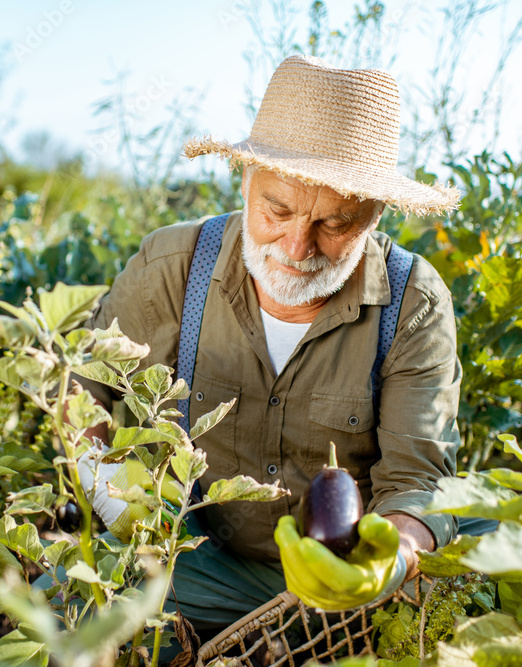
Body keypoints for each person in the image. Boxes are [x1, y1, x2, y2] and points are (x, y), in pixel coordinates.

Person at [74, 54, 463, 634]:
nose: (297, 246)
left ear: (376, 216)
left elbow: (417, 482)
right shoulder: (172, 267)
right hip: (195, 565)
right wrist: (111, 497)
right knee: (63, 610)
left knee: (487, 552)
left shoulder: (413, 302)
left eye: (335, 224)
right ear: (245, 179)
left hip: (342, 579)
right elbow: (81, 392)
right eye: (277, 209)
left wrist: (392, 559)